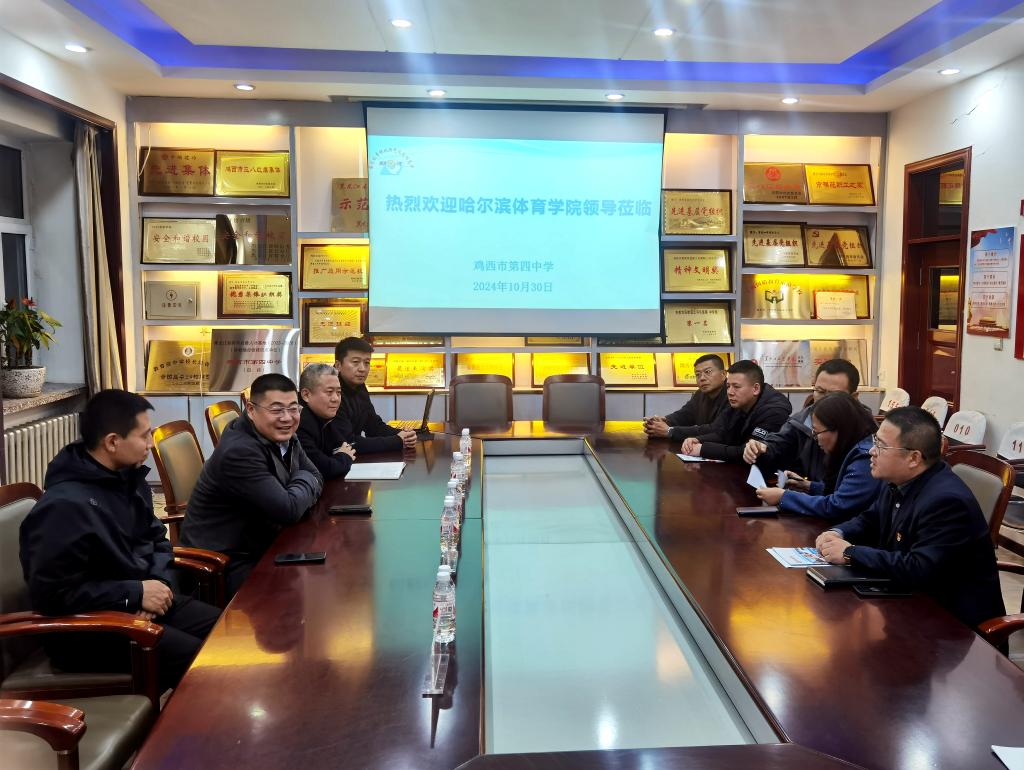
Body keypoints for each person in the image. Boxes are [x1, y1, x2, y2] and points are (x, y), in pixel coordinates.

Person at [19, 389, 221, 691]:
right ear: (113, 441)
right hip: (89, 630)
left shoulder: (127, 479)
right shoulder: (63, 506)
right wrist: (135, 593)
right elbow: (54, 595)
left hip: (136, 603)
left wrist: (155, 586)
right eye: (144, 435)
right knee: (203, 664)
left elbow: (157, 539)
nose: (150, 444)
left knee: (228, 633)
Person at [815, 407, 1004, 629]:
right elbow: (870, 519)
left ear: (914, 458)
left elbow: (918, 568)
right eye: (875, 441)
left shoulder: (947, 502)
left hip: (954, 626)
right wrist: (838, 532)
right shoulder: (900, 480)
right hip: (911, 601)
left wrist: (850, 553)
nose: (872, 451)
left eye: (882, 446)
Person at [181, 373, 323, 598]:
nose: (287, 418)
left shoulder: (280, 432)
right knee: (307, 591)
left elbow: (316, 474)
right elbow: (288, 509)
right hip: (224, 563)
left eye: (293, 408)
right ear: (251, 409)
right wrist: (304, 481)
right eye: (276, 410)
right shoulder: (240, 451)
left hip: (262, 539)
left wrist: (300, 483)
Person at [755, 391, 881, 522]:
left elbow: (837, 506)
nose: (815, 439)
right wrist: (809, 486)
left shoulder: (865, 457)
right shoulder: (852, 447)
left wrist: (784, 497)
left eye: (816, 432)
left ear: (838, 429)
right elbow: (840, 492)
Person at [743, 359, 865, 488]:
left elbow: (848, 494)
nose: (825, 400)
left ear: (854, 397)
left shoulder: (867, 436)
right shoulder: (802, 421)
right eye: (820, 391)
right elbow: (779, 445)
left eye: (834, 395)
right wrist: (761, 448)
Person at [678, 360, 791, 463]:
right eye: (728, 386)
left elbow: (749, 453)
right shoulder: (738, 402)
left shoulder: (774, 411)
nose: (730, 392)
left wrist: (703, 449)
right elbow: (723, 433)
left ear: (756, 389)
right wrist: (697, 440)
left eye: (736, 386)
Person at [334, 336, 417, 453]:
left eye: (367, 362)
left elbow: (373, 425)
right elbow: (348, 443)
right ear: (338, 365)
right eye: (355, 362)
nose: (362, 369)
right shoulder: (331, 393)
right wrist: (397, 440)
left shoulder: (359, 387)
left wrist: (404, 435)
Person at [643, 354, 729, 440]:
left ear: (723, 374)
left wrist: (670, 431)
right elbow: (685, 414)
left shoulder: (732, 396)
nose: (702, 378)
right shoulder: (700, 394)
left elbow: (715, 429)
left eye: (708, 372)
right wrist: (664, 421)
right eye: (698, 374)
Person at [296, 363, 357, 480]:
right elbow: (325, 468)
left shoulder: (323, 415)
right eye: (329, 392)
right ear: (306, 395)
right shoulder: (298, 421)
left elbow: (347, 445)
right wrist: (344, 456)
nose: (336, 399)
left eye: (338, 392)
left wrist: (341, 455)